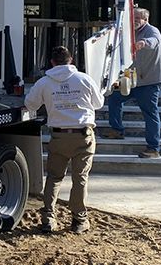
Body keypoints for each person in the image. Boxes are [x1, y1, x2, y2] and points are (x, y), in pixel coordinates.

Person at [25, 45, 104, 235]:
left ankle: (48, 218)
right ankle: (79, 220)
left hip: (59, 136)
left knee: (54, 177)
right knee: (80, 179)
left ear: (52, 62)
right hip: (83, 136)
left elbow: (30, 104)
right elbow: (99, 103)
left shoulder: (44, 82)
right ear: (72, 60)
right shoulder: (84, 79)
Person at [104, 7, 161, 158]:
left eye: (138, 18)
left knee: (150, 113)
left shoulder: (152, 31)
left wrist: (142, 43)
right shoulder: (129, 31)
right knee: (114, 98)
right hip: (131, 79)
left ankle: (153, 148)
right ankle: (117, 130)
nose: (134, 21)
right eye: (132, 18)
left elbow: (154, 42)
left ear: (146, 19)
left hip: (149, 81)